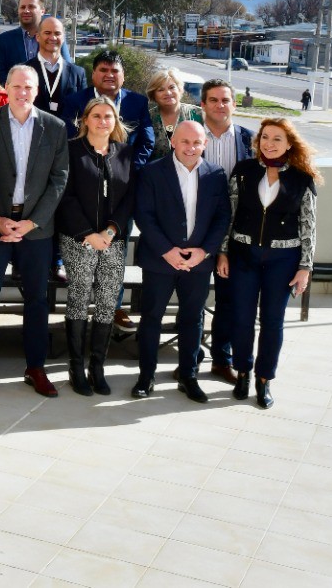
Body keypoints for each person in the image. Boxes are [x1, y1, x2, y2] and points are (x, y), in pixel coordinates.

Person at [0, 65, 69, 399]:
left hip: (35, 231)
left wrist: (32, 222)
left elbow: (59, 179)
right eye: (17, 86)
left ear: (36, 90)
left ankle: (35, 367)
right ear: (6, 88)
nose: (23, 92)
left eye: (29, 87)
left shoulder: (55, 127)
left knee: (38, 301)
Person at [217, 119, 320, 409]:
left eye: (277, 138)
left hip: (283, 260)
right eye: (265, 137)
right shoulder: (244, 172)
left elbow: (309, 225)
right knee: (242, 318)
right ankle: (243, 373)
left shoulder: (302, 178)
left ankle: (264, 379)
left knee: (273, 321)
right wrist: (223, 252)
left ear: (289, 144)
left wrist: (305, 267)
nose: (269, 143)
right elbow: (230, 214)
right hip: (243, 255)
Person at [132, 121, 231, 403]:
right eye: (184, 142)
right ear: (173, 141)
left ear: (205, 144)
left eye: (196, 142)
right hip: (160, 261)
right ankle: (145, 376)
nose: (190, 148)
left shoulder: (216, 174)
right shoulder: (152, 172)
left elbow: (222, 217)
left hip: (198, 263)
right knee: (151, 318)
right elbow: (144, 215)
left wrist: (205, 252)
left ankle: (188, 376)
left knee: (193, 319)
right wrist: (167, 251)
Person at [55, 97, 136, 396]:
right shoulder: (71, 151)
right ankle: (76, 368)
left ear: (115, 122)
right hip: (79, 239)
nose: (103, 121)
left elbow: (129, 198)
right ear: (85, 119)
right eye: (97, 116)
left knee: (105, 303)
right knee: (78, 298)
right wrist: (89, 233)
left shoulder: (124, 154)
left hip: (113, 241)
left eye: (109, 116)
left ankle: (97, 368)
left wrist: (112, 230)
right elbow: (65, 195)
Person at [199, 78, 254, 381]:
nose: (220, 105)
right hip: (196, 231)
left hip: (236, 234)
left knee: (228, 300)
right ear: (203, 104)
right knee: (193, 298)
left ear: (234, 104)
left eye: (225, 100)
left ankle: (222, 359)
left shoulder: (249, 140)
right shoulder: (192, 136)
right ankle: (190, 357)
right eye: (214, 100)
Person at [60, 48, 154, 168]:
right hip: (85, 172)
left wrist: (129, 170)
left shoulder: (138, 102)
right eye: (103, 70)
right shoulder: (74, 102)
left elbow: (146, 143)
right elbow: (68, 141)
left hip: (127, 174)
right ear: (93, 74)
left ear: (123, 75)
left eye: (115, 71)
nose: (109, 75)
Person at [0, 0, 70, 83]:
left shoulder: (54, 38)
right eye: (22, 7)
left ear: (42, 11)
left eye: (31, 7)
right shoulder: (3, 40)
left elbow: (67, 70)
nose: (26, 11)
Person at [25, 17, 85, 115]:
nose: (53, 37)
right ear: (38, 37)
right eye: (47, 33)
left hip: (66, 129)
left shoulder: (77, 73)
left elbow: (83, 110)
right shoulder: (24, 70)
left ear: (63, 37)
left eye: (57, 33)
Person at [147, 68, 203, 161]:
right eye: (161, 90)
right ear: (153, 95)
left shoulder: (199, 115)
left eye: (172, 87)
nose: (168, 93)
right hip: (156, 174)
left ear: (179, 89)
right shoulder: (147, 118)